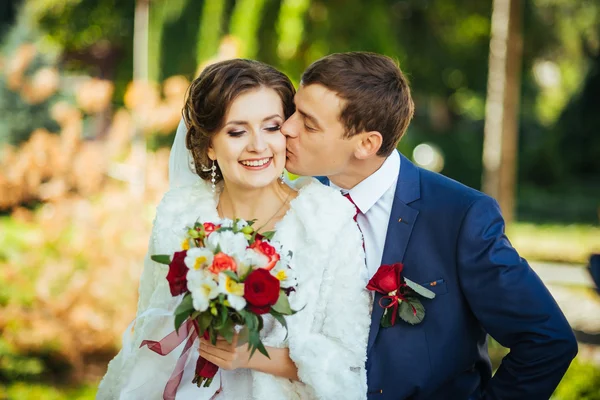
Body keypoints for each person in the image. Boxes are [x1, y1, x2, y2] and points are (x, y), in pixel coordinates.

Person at [281, 51, 578, 400]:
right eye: (293, 111)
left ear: (366, 144)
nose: (286, 128)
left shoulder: (461, 216)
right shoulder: (297, 202)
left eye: (308, 122)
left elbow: (547, 340)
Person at [96, 59, 371, 400]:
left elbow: (348, 361)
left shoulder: (328, 221)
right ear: (209, 145)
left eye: (271, 127)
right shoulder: (178, 214)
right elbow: (149, 322)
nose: (258, 145)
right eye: (237, 132)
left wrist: (254, 354)